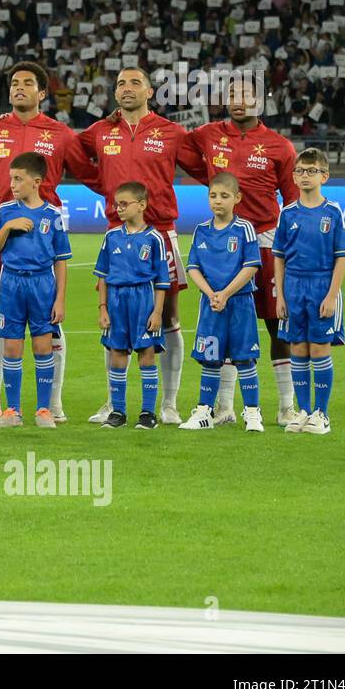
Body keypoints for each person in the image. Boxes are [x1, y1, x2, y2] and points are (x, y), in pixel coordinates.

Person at [0, 62, 98, 424]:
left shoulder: (60, 134)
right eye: (15, 83)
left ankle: (51, 404)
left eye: (28, 83)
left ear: (42, 93)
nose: (19, 88)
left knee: (50, 320)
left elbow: (89, 172)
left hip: (42, 237)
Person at [79, 67, 205, 425]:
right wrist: (106, 187)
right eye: (120, 83)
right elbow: (71, 156)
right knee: (115, 319)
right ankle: (113, 401)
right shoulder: (100, 132)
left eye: (135, 82)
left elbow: (202, 168)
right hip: (116, 234)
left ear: (150, 91)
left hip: (161, 232)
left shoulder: (171, 132)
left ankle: (168, 403)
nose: (127, 88)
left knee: (168, 318)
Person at [179, 76, 299, 425]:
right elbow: (180, 149)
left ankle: (286, 406)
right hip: (223, 246)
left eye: (247, 94)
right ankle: (226, 408)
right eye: (232, 93)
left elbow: (291, 203)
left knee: (278, 324)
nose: (238, 99)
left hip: (265, 241)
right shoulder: (207, 134)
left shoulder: (280, 147)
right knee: (226, 323)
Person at [0, 153, 72, 430]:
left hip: (42, 284)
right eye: (11, 178)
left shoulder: (52, 215)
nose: (12, 184)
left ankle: (43, 410)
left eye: (18, 179)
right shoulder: (5, 211)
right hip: (10, 283)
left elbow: (61, 260)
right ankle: (12, 410)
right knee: (11, 345)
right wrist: (8, 228)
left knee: (42, 345)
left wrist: (59, 299)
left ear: (36, 182)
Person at [272, 148, 345, 435]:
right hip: (293, 287)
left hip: (322, 285)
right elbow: (279, 256)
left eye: (311, 170)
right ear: (293, 176)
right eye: (300, 171)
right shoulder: (287, 213)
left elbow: (341, 257)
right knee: (298, 348)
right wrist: (280, 295)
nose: (305, 176)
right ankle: (303, 411)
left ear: (324, 176)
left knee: (319, 348)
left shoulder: (333, 212)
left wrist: (331, 296)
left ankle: (322, 414)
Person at [179, 173, 264, 432]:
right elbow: (193, 266)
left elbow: (251, 265)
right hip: (212, 305)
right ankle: (205, 411)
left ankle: (252, 413)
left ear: (236, 198)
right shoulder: (201, 230)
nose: (218, 201)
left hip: (239, 304)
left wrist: (225, 293)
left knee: (244, 358)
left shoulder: (243, 228)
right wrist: (211, 294)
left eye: (224, 196)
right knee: (210, 358)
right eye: (213, 196)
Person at [92, 182, 170, 429]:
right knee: (117, 353)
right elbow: (102, 275)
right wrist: (102, 307)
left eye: (124, 204)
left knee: (146, 355)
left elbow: (161, 281)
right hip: (116, 300)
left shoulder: (154, 238)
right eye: (117, 204)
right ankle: (118, 412)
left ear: (142, 205)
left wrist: (157, 312)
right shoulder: (111, 236)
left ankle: (148, 413)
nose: (119, 208)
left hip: (143, 300)